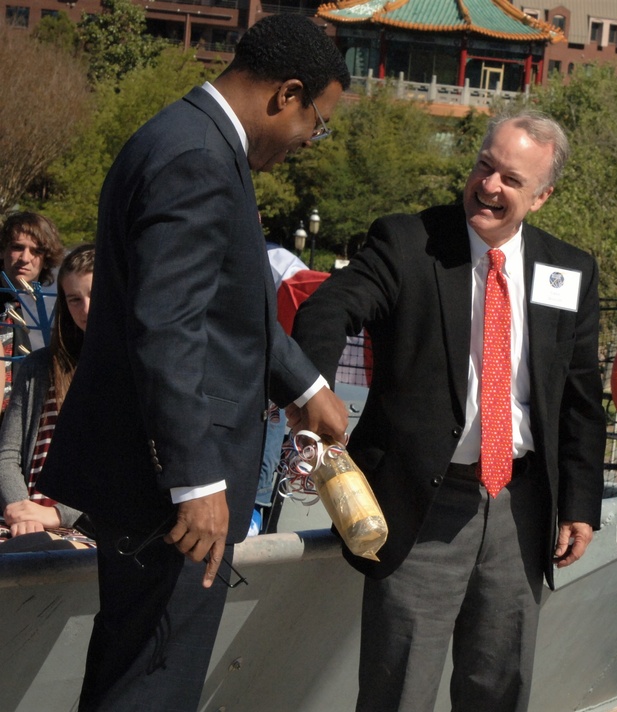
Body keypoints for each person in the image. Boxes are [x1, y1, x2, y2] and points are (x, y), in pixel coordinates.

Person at [37, 15, 351, 712]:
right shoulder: (197, 159)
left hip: (159, 481)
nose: (309, 142)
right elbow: (167, 326)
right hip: (170, 495)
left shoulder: (188, 139)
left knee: (141, 672)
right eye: (317, 124)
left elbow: (224, 308)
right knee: (152, 682)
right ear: (287, 94)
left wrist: (305, 382)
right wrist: (195, 480)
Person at [293, 109, 607, 712]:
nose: (489, 186)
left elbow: (580, 398)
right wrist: (313, 394)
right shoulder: (408, 243)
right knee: (399, 693)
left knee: (499, 691)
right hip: (421, 508)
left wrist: (580, 505)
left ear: (541, 197)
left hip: (523, 511)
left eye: (510, 180)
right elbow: (326, 312)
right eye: (484, 167)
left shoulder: (571, 270)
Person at [0, 244, 93, 551]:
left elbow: (124, 472)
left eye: (94, 295)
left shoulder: (132, 368)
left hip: (89, 523)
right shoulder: (39, 367)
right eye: (74, 300)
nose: (85, 309)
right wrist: (19, 509)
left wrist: (56, 514)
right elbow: (7, 454)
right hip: (26, 516)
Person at [0, 212, 64, 414]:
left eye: (35, 251)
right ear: (2, 250)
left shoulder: (58, 303)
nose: (25, 258)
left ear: (46, 259)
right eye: (17, 247)